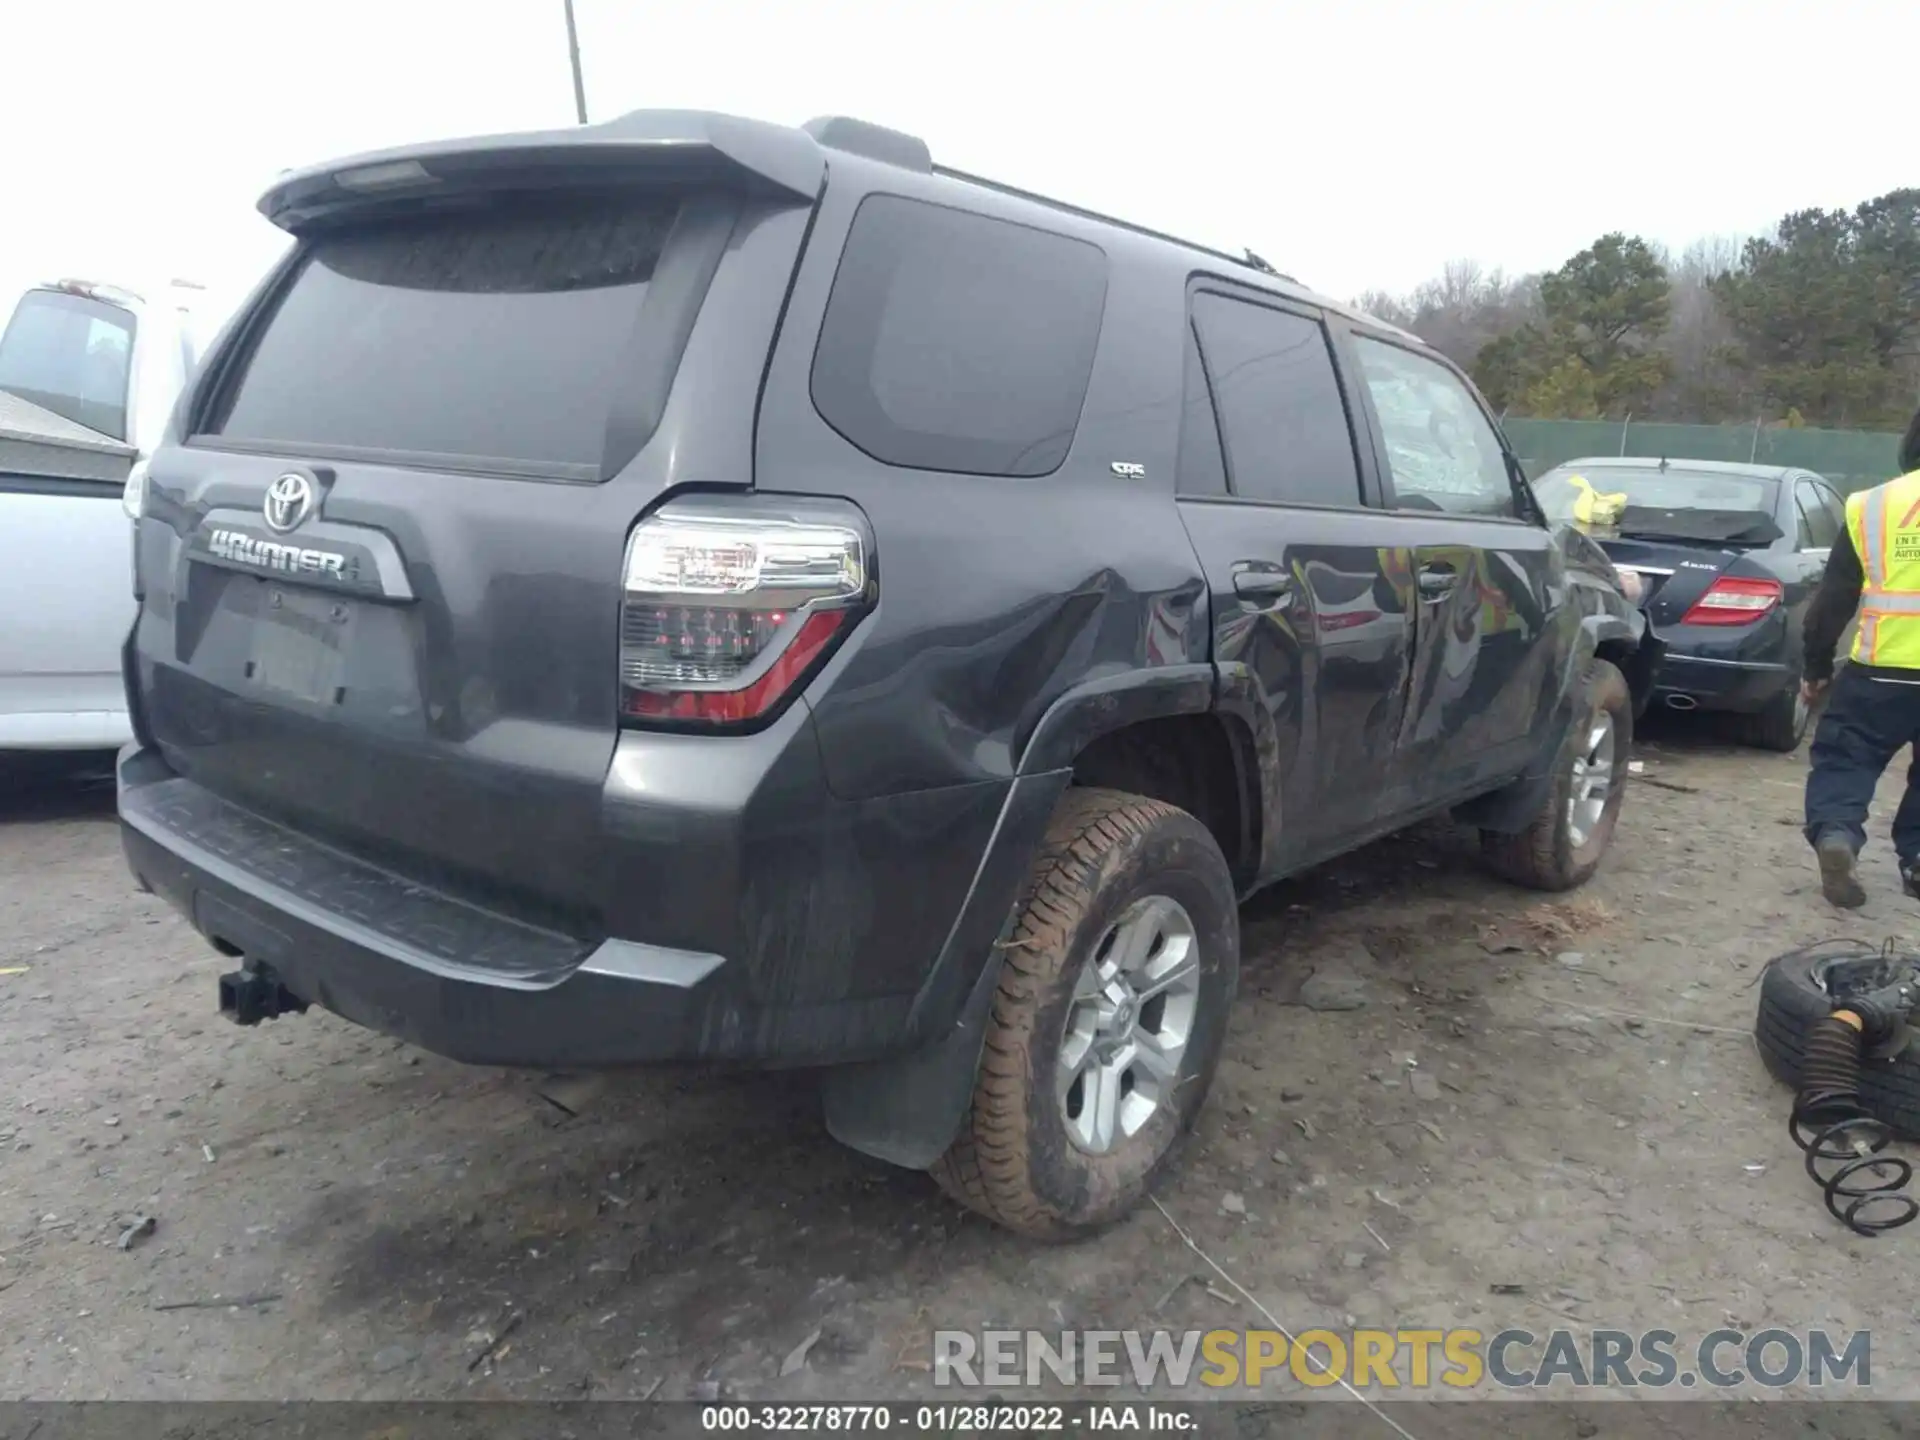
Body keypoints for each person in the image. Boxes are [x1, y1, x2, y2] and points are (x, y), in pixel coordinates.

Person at [1802, 405, 1920, 907]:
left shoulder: (1872, 506)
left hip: (1879, 672)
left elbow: (1832, 601)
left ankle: (1837, 834)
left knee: (1847, 757)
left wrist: (1815, 665)